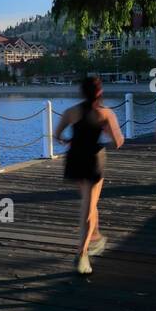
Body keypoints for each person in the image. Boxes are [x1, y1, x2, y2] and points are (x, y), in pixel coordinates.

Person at [54, 76, 124, 275]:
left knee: (89, 202)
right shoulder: (105, 113)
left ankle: (95, 235)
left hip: (75, 159)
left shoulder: (71, 111)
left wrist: (67, 141)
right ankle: (82, 254)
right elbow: (117, 139)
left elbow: (57, 134)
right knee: (89, 206)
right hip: (93, 160)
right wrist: (114, 136)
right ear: (99, 92)